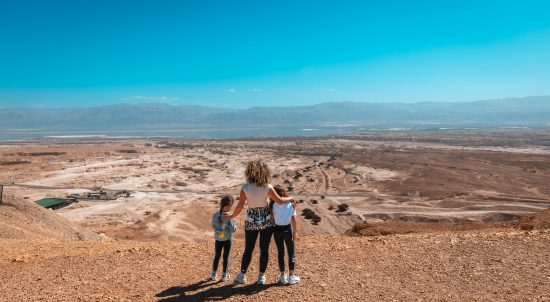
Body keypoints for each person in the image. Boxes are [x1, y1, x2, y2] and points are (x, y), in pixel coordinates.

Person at [225, 160, 294, 285]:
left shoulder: (245, 187)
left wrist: (233, 216)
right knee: (264, 249)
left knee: (248, 249)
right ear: (264, 172)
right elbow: (279, 201)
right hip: (266, 220)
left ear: (249, 172)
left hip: (251, 220)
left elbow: (240, 205)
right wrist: (291, 198)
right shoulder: (267, 187)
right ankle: (261, 277)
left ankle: (242, 275)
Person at [269, 185, 300, 285]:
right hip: (287, 229)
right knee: (291, 252)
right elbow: (294, 220)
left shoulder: (272, 205)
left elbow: (272, 218)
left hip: (277, 229)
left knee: (280, 253)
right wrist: (294, 233)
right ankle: (291, 276)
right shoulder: (291, 204)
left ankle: (282, 276)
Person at [210, 195, 237, 282]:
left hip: (218, 240)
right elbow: (233, 230)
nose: (231, 208)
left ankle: (213, 274)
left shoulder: (215, 215)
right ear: (229, 205)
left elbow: (212, 226)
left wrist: (218, 230)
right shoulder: (229, 216)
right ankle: (224, 275)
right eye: (231, 206)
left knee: (217, 256)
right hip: (227, 240)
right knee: (226, 257)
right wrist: (231, 219)